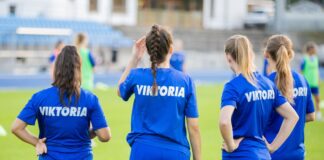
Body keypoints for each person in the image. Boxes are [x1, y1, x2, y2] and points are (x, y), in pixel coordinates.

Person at [11, 46, 111, 160]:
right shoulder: (90, 99)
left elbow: (16, 128)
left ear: (57, 68)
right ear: (79, 68)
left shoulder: (40, 97)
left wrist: (37, 142)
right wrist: (91, 132)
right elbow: (104, 136)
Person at [117, 25, 201, 160]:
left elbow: (120, 91)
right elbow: (194, 127)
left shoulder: (136, 76)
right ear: (171, 49)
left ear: (149, 52)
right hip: (176, 152)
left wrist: (135, 58)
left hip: (143, 151)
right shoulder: (185, 81)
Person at [219, 35, 299, 160]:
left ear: (229, 57)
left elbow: (224, 122)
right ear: (250, 54)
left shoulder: (232, 86)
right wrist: (272, 147)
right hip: (263, 154)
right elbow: (292, 116)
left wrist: (231, 145)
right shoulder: (267, 84)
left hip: (240, 155)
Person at [263, 35, 315, 160]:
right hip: (297, 153)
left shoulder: (266, 84)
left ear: (266, 54)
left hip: (272, 153)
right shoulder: (302, 80)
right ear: (290, 54)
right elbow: (311, 115)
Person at [301, 41, 322, 120]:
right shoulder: (305, 59)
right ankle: (305, 113)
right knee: (306, 100)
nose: (315, 50)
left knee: (317, 98)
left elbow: (317, 70)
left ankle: (319, 113)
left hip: (314, 83)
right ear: (309, 49)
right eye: (314, 49)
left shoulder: (316, 58)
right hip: (307, 83)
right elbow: (301, 70)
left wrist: (318, 79)